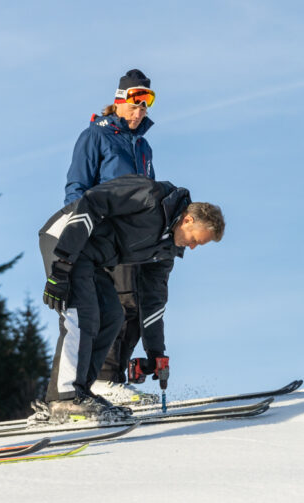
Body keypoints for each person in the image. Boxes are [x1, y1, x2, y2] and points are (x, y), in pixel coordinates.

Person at [39, 174, 224, 421]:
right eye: (194, 240)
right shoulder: (151, 195)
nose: (191, 247)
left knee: (112, 317)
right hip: (67, 240)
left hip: (93, 260)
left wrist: (156, 352)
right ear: (188, 220)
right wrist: (62, 264)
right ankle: (64, 398)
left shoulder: (166, 250)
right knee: (82, 315)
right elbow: (92, 201)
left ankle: (82, 391)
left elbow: (153, 299)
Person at [64, 69, 159, 405]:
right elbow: (77, 186)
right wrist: (76, 234)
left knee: (132, 307)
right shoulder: (96, 136)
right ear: (120, 101)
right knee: (118, 305)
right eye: (136, 103)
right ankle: (103, 379)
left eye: (147, 103)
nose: (141, 110)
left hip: (132, 239)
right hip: (101, 233)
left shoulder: (143, 145)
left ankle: (110, 378)